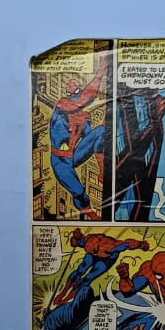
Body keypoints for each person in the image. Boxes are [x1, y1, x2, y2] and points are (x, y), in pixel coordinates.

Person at [48, 66, 106, 217]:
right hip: (60, 161)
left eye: (76, 87)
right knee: (79, 192)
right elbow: (83, 100)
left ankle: (102, 171)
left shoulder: (82, 117)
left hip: (74, 155)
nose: (72, 85)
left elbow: (92, 140)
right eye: (71, 86)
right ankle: (92, 215)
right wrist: (98, 76)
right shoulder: (61, 105)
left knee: (101, 131)